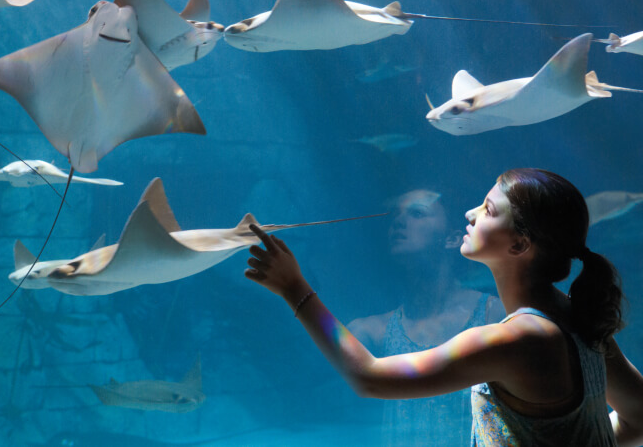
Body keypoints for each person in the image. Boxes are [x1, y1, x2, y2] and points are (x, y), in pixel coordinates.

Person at [244, 168, 643, 446]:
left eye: (488, 210)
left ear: (520, 245)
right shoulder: (577, 318)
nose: (470, 214)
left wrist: (294, 287)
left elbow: (370, 377)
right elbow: (639, 416)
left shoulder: (516, 339)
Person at [345, 188, 504, 445]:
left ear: (452, 238)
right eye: (396, 215)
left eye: (417, 213)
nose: (399, 221)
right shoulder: (369, 332)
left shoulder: (495, 315)